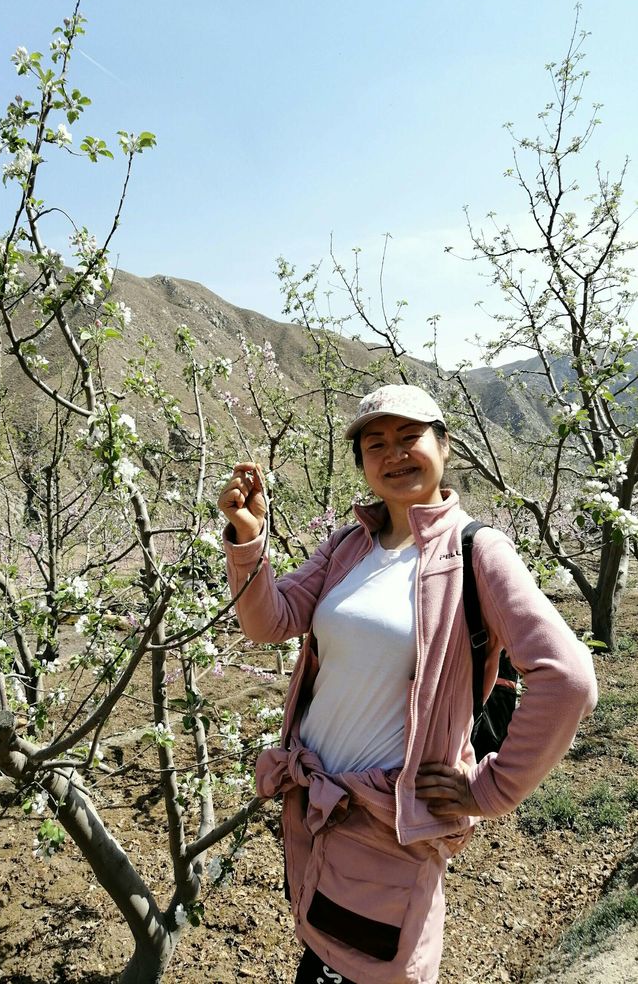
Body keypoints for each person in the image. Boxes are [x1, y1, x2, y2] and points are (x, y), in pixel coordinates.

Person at [217, 384, 598, 984]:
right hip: (314, 807)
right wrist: (247, 540)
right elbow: (271, 621)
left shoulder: (478, 553)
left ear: (444, 446)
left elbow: (568, 678)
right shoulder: (350, 545)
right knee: (320, 953)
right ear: (363, 463)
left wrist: (490, 790)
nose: (393, 454)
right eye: (376, 443)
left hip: (384, 825)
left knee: (373, 967)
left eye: (409, 437)